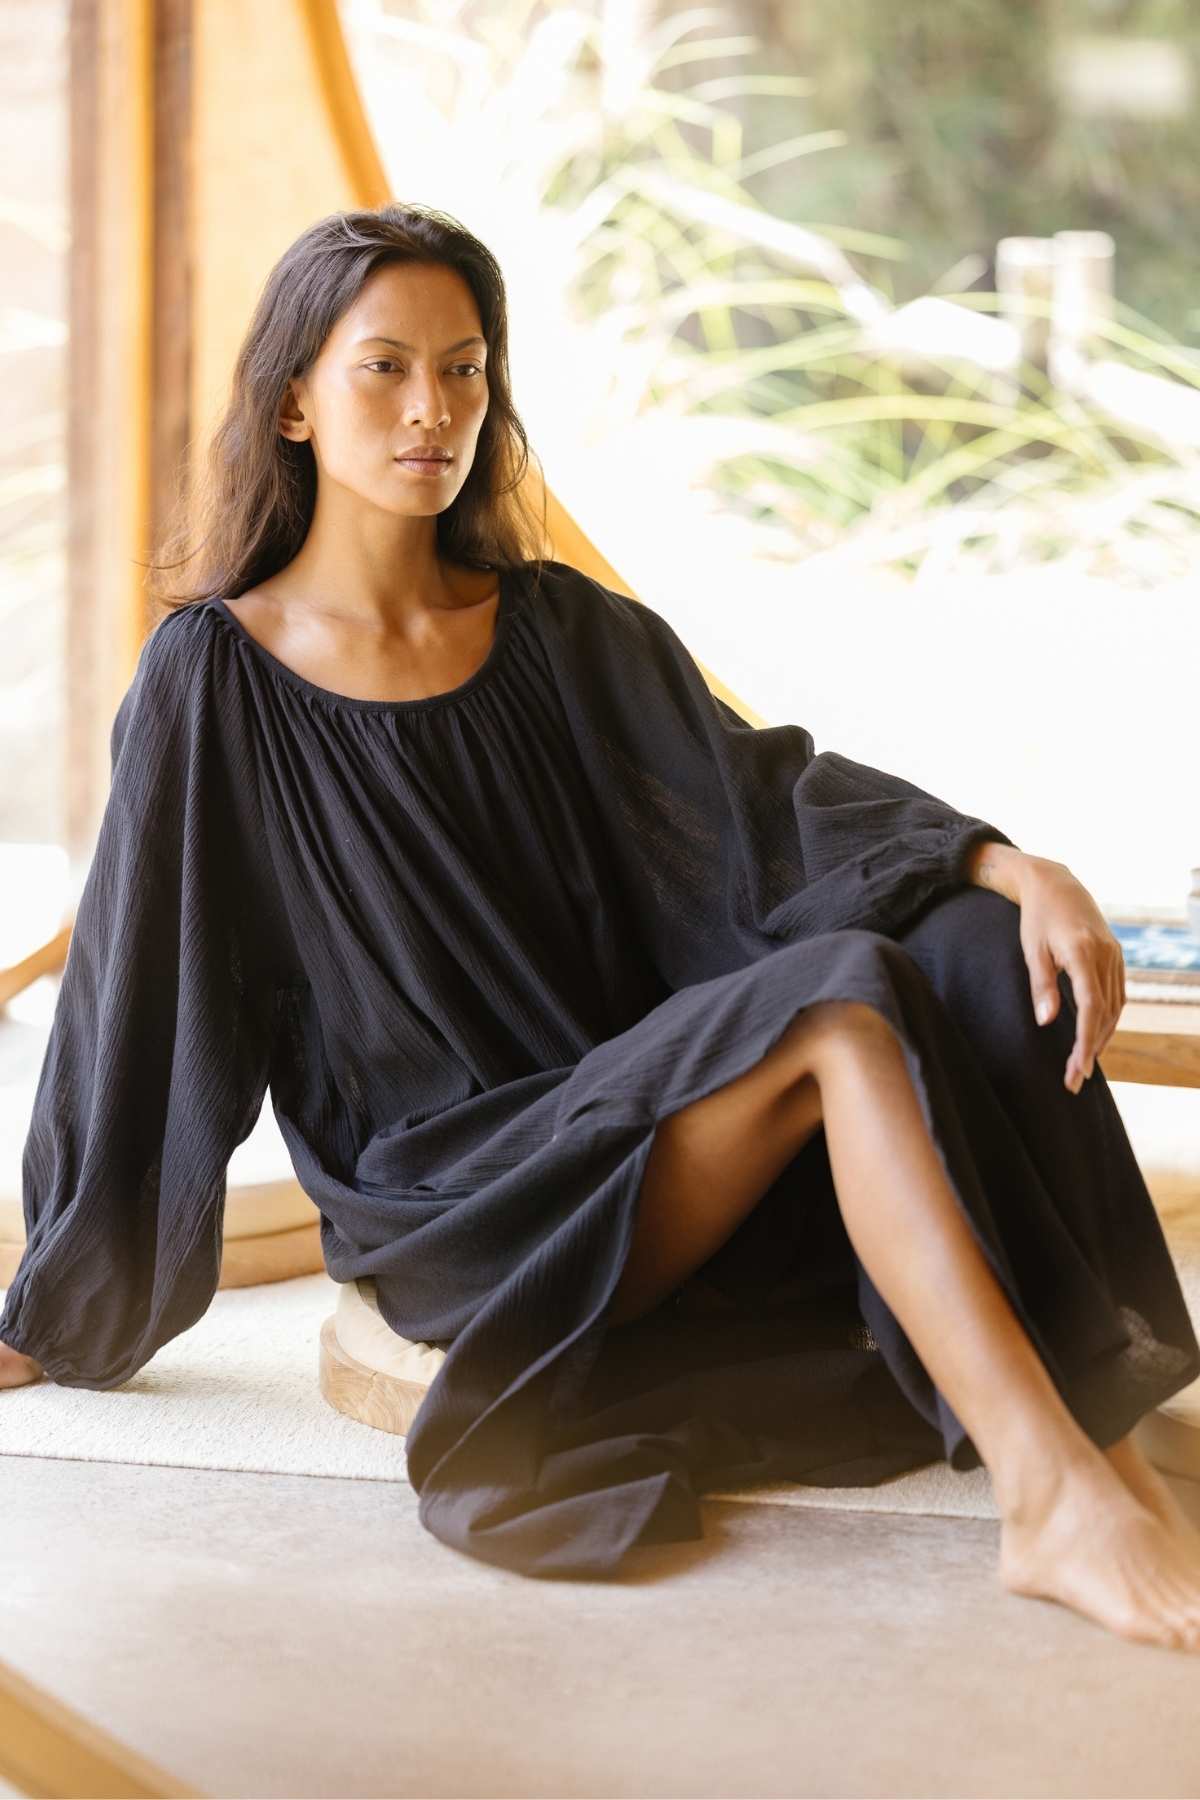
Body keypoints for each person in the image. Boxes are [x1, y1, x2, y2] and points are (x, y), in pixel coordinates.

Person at [3, 201, 1199, 1650]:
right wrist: (49, 1307)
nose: (432, 410)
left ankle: (1103, 1445)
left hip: (644, 1119)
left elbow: (767, 806)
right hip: (459, 1189)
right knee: (840, 1002)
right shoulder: (216, 680)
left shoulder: (564, 632)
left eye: (464, 368)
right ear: (294, 402)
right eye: (383, 368)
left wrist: (1007, 866)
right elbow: (137, 999)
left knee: (958, 953)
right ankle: (1049, 1495)